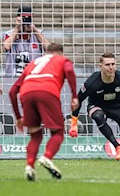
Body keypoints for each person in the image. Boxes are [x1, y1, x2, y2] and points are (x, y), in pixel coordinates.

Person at [8, 43, 79, 181]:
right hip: (47, 91)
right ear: (60, 53)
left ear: (46, 52)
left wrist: (18, 117)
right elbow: (69, 71)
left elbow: (12, 91)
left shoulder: (33, 63)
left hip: (26, 93)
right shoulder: (62, 60)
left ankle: (29, 166)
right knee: (57, 132)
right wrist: (74, 95)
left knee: (35, 135)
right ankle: (47, 157)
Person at [3, 6, 49, 76]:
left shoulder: (38, 33)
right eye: (24, 18)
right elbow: (6, 46)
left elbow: (49, 48)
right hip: (13, 76)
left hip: (33, 75)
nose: (26, 21)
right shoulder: (10, 34)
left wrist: (35, 30)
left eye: (28, 18)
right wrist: (17, 29)